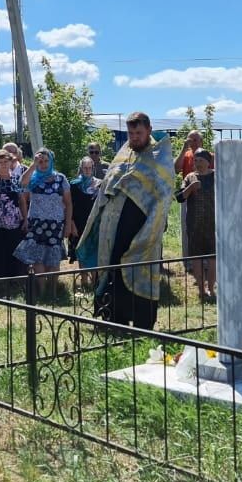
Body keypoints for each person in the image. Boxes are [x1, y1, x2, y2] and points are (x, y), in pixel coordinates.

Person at [76, 112, 174, 330]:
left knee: (137, 269)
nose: (134, 137)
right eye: (130, 133)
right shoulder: (123, 153)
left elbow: (164, 195)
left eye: (138, 133)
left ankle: (141, 324)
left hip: (140, 227)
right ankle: (112, 319)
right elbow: (107, 185)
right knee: (112, 268)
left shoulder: (160, 157)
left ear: (148, 130)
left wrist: (151, 229)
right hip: (112, 226)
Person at [14, 149, 75, 281]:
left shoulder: (60, 178)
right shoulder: (33, 178)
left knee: (53, 258)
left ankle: (53, 289)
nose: (44, 164)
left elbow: (69, 203)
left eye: (46, 161)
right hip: (36, 223)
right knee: (38, 258)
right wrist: (33, 165)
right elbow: (21, 183)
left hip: (56, 223)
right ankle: (41, 291)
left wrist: (68, 224)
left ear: (51, 161)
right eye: (40, 161)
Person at [179, 149, 217, 299]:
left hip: (213, 224)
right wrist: (190, 188)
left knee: (213, 257)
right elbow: (180, 197)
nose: (198, 163)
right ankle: (201, 290)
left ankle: (212, 289)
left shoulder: (216, 176)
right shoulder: (190, 177)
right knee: (196, 257)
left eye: (201, 160)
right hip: (194, 224)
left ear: (208, 162)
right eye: (195, 160)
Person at [0, 148, 26, 283]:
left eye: (6, 161)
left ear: (10, 162)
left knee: (12, 251)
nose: (3, 164)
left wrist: (25, 219)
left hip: (13, 222)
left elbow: (22, 200)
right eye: (0, 162)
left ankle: (12, 282)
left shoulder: (16, 179)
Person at [67, 156, 100, 264]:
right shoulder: (74, 184)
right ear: (81, 168)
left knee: (94, 252)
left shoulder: (99, 184)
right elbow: (69, 205)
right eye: (85, 168)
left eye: (89, 168)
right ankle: (84, 279)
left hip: (94, 223)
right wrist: (72, 225)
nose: (87, 170)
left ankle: (94, 280)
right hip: (79, 224)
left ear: (93, 168)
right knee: (81, 251)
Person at [174, 130, 202, 255]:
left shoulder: (209, 155)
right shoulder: (185, 155)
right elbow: (176, 169)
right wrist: (183, 148)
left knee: (203, 225)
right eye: (190, 140)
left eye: (195, 140)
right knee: (186, 224)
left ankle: (204, 258)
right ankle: (187, 258)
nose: (192, 143)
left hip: (204, 195)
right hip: (187, 193)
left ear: (201, 141)